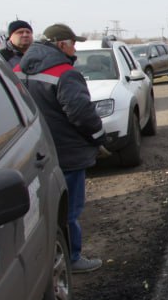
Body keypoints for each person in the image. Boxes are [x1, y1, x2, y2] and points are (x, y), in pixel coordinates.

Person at [17, 23, 107, 273]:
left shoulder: (16, 68)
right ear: (60, 44)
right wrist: (99, 138)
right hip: (67, 152)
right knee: (69, 210)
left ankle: (46, 261)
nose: (74, 48)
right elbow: (81, 113)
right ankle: (72, 259)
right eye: (72, 43)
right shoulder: (64, 72)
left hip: (31, 151)